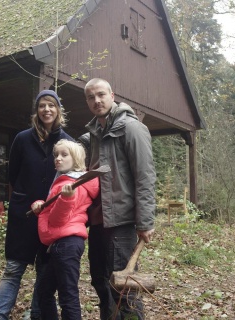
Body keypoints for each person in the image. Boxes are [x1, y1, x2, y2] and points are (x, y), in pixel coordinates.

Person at [0, 90, 73, 320]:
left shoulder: (67, 142)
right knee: (14, 269)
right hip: (23, 214)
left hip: (52, 216)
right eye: (42, 106)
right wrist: (24, 197)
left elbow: (72, 176)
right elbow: (12, 174)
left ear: (58, 110)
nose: (47, 110)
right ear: (36, 111)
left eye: (51, 105)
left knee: (44, 272)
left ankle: (37, 315)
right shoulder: (23, 138)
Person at [82, 78, 156, 320]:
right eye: (91, 97)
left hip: (122, 222)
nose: (97, 100)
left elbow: (145, 177)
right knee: (100, 282)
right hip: (98, 221)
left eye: (101, 94)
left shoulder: (132, 128)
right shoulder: (94, 133)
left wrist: (145, 222)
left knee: (125, 288)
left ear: (112, 95)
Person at [31, 139, 99, 320]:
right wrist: (39, 205)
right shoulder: (64, 181)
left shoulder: (74, 185)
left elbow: (57, 219)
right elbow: (50, 209)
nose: (58, 159)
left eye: (64, 155)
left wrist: (66, 199)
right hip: (59, 243)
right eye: (56, 155)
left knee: (67, 295)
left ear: (75, 158)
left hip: (67, 243)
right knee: (44, 291)